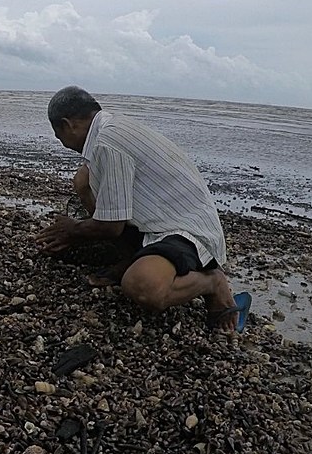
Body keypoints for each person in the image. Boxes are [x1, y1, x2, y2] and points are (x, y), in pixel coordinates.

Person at [33, 85, 250, 332]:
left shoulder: (108, 141)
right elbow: (89, 187)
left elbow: (110, 227)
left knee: (142, 286)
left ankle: (212, 281)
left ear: (67, 124)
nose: (60, 142)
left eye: (57, 134)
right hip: (153, 222)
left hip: (185, 230)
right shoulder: (109, 129)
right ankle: (130, 258)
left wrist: (72, 230)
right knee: (83, 180)